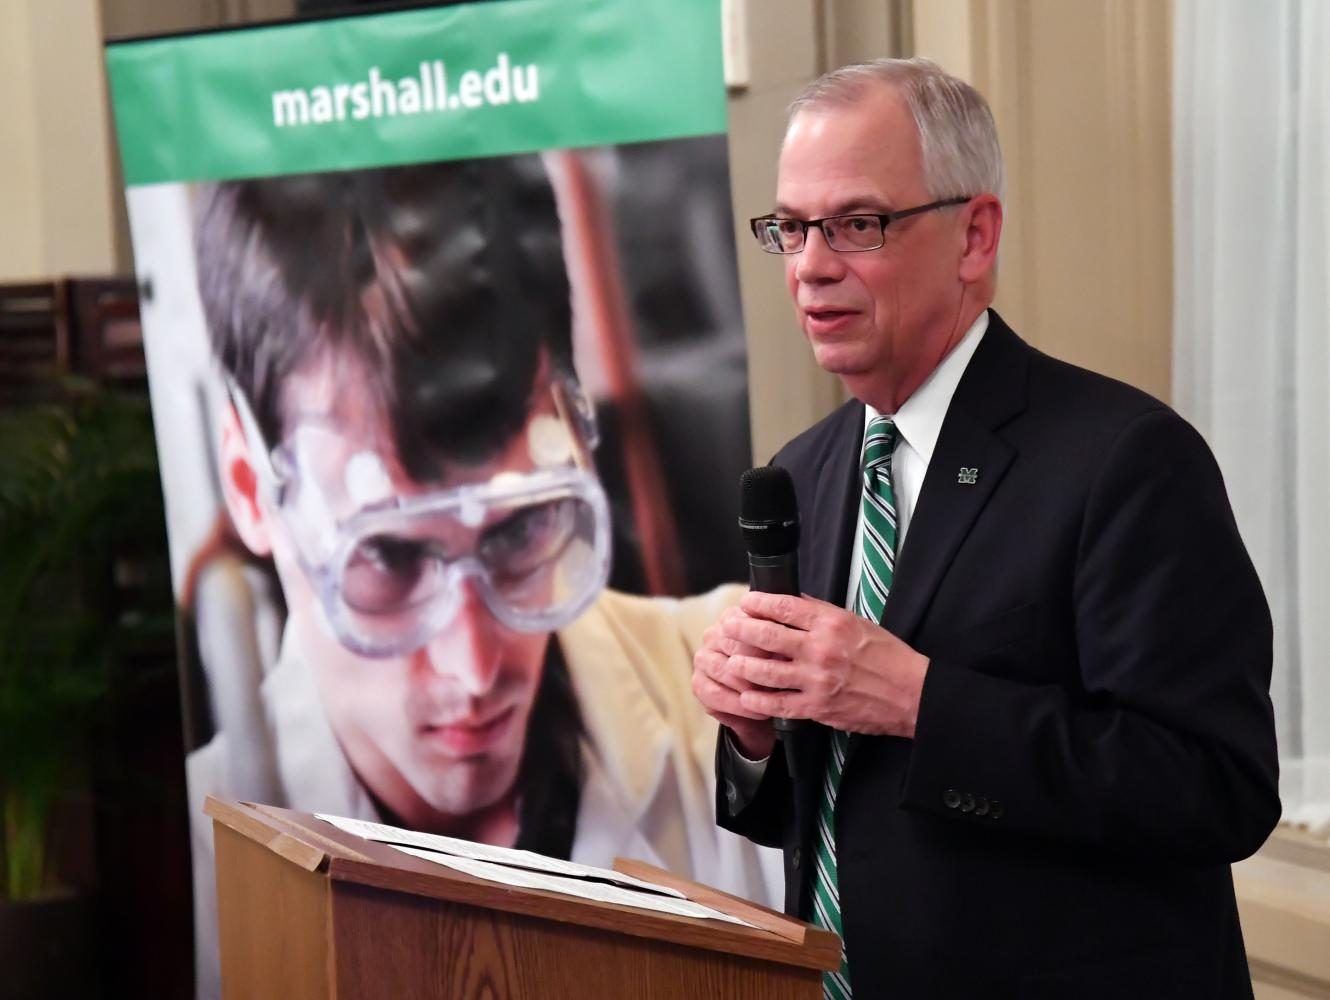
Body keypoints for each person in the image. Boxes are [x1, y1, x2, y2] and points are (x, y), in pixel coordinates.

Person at [692, 57, 1279, 999]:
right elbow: (840, 810)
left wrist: (923, 700)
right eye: (793, 229)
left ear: (974, 235)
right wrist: (754, 738)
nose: (810, 266)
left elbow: (1217, 788)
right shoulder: (802, 471)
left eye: (857, 224)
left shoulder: (1125, 458)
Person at [184, 155, 781, 999]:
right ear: (251, 486)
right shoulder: (202, 878)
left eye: (521, 528)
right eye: (389, 557)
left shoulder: (747, 706)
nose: (474, 668)